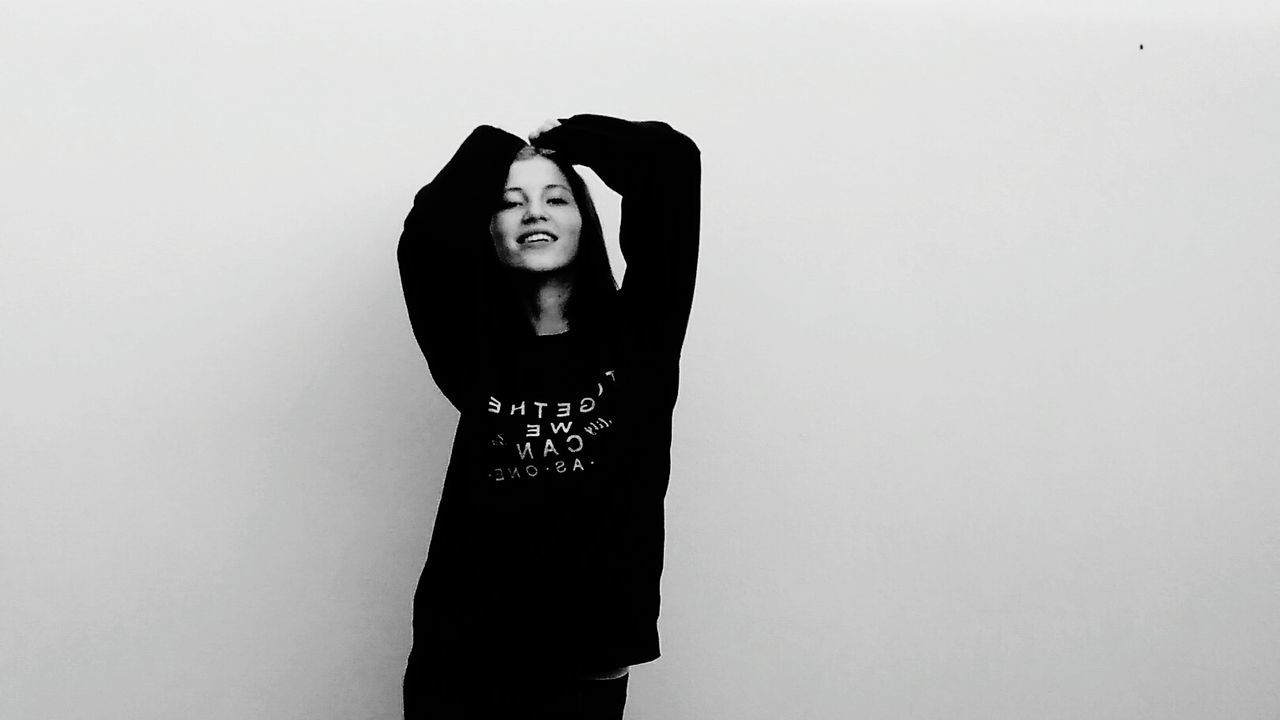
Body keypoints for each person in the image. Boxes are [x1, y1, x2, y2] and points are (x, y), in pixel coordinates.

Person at [396, 113, 701, 719]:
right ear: (489, 229)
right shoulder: (472, 352)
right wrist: (498, 144)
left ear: (586, 222)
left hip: (586, 660)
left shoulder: (641, 340)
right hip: (460, 655)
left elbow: (670, 164)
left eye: (556, 198)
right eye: (511, 203)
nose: (535, 213)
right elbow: (426, 235)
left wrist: (568, 134)